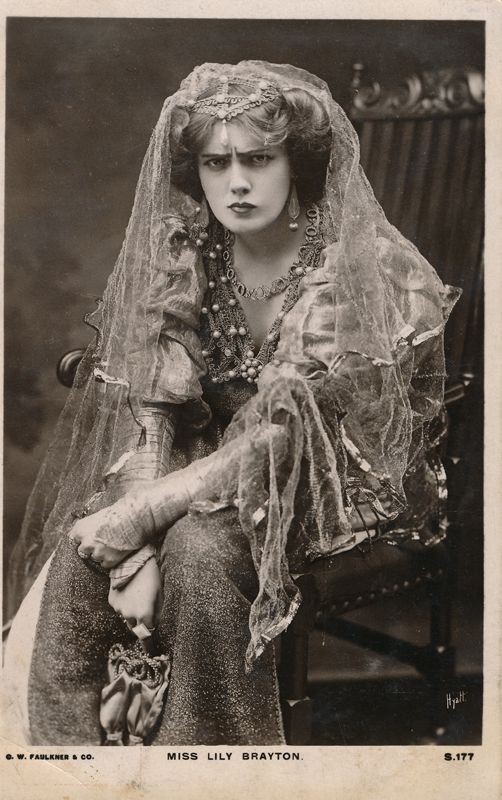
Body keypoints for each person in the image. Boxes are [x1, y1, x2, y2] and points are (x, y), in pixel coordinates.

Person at [4, 61, 459, 746]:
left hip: (318, 478)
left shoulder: (356, 270)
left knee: (199, 552)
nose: (237, 182)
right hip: (204, 464)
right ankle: (64, 764)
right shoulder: (187, 256)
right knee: (82, 545)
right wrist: (131, 551)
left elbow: (288, 435)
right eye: (217, 163)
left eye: (258, 158)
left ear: (296, 161)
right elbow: (153, 409)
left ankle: (212, 762)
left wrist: (148, 514)